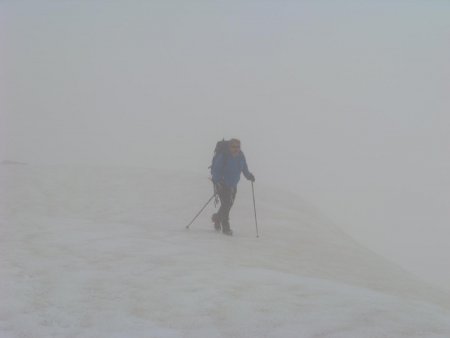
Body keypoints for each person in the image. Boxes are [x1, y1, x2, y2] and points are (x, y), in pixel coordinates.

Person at [210, 138, 255, 235]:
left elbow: (244, 167)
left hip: (233, 184)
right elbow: (216, 171)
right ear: (229, 147)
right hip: (222, 184)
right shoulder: (224, 156)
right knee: (226, 204)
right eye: (234, 147)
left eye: (238, 147)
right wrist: (217, 182)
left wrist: (249, 176)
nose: (236, 149)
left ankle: (217, 218)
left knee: (229, 204)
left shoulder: (241, 155)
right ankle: (226, 227)